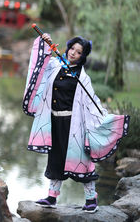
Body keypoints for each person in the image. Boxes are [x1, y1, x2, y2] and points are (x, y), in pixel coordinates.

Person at [23, 33, 130, 213]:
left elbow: (90, 103)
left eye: (78, 52)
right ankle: (52, 197)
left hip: (74, 123)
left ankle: (91, 199)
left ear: (83, 56)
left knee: (81, 159)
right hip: (54, 121)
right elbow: (38, 68)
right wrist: (44, 44)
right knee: (55, 158)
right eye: (72, 48)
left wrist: (104, 117)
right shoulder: (56, 66)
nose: (73, 53)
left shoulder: (82, 77)